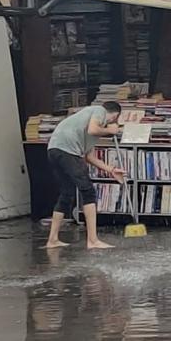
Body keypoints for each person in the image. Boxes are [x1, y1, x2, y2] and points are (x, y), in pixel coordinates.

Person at [45, 102, 124, 249]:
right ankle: (93, 240)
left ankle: (52, 239)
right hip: (67, 150)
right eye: (115, 119)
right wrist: (110, 130)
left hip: (54, 150)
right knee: (88, 192)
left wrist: (111, 169)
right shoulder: (99, 111)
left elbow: (89, 157)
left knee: (67, 193)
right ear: (115, 115)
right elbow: (94, 129)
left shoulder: (86, 123)